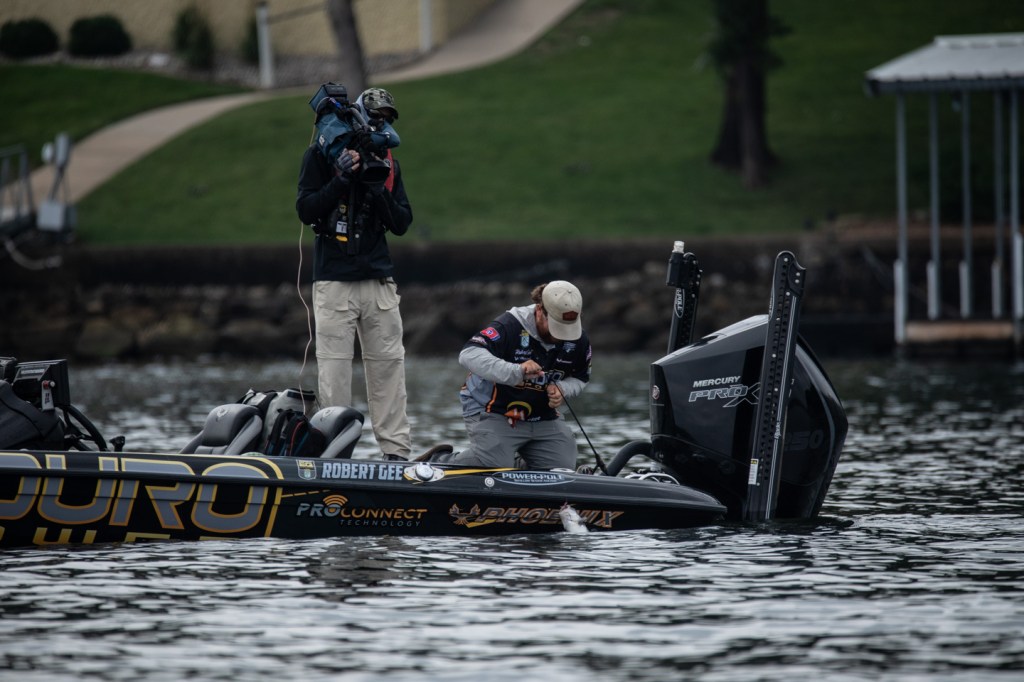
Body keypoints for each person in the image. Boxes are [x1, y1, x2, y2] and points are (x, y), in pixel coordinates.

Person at [295, 86, 413, 461]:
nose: (380, 125)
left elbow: (402, 222)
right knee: (334, 373)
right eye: (375, 117)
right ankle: (334, 454)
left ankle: (396, 454)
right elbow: (306, 209)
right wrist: (342, 179)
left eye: (386, 119)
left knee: (389, 370)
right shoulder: (320, 154)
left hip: (378, 281)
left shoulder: (388, 163)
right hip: (334, 281)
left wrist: (378, 190)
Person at [431, 281, 592, 470]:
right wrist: (517, 371)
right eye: (556, 327)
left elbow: (581, 377)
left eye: (567, 328)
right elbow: (468, 354)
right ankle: (438, 460)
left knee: (561, 471)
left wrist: (563, 389)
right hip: (492, 410)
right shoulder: (510, 325)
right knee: (494, 466)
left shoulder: (578, 339)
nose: (561, 336)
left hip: (541, 416)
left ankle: (517, 466)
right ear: (540, 310)